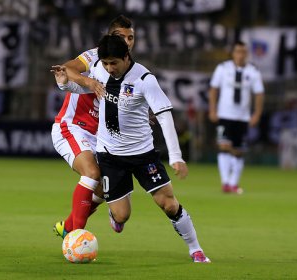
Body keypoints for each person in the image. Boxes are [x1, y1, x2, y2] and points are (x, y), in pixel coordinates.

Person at [54, 34, 211, 263]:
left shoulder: (145, 79)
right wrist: (63, 83)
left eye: (114, 63)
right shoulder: (99, 69)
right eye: (106, 63)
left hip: (143, 155)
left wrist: (176, 156)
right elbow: (84, 90)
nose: (109, 68)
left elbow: (165, 116)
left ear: (126, 57)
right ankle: (112, 211)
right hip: (110, 156)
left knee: (168, 204)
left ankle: (195, 249)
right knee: (122, 215)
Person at [50, 15, 135, 238]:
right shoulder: (94, 55)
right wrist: (89, 82)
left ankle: (68, 225)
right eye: (120, 36)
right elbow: (66, 69)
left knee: (112, 200)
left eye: (130, 37)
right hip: (73, 127)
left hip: (103, 137)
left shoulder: (132, 69)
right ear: (109, 37)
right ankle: (75, 237)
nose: (126, 41)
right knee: (92, 172)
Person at [208, 41, 264, 194]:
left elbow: (259, 93)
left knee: (239, 150)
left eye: (243, 52)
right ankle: (226, 182)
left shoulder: (253, 71)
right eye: (238, 51)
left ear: (247, 54)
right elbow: (213, 89)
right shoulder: (223, 68)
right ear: (233, 53)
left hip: (243, 117)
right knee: (224, 146)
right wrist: (212, 110)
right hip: (225, 115)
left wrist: (257, 113)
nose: (241, 55)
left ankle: (233, 183)